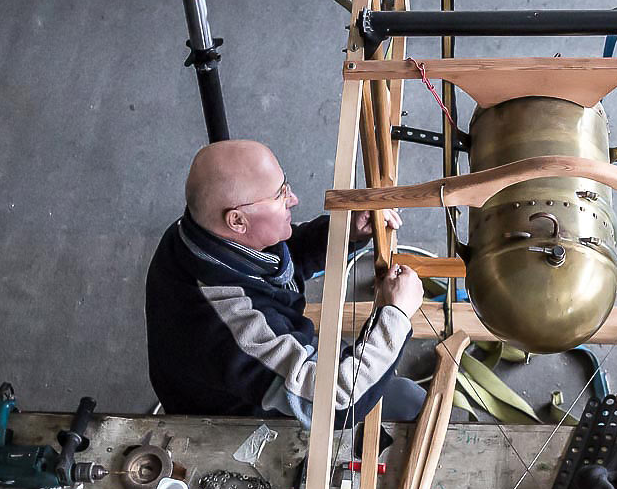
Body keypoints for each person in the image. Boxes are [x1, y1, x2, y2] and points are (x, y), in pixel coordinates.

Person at [146, 139, 427, 423]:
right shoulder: (229, 324)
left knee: (383, 377)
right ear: (237, 221)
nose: (293, 199)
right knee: (409, 401)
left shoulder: (199, 234)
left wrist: (346, 233)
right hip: (244, 418)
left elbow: (280, 254)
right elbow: (335, 402)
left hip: (253, 365)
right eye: (280, 195)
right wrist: (396, 315)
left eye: (285, 186)